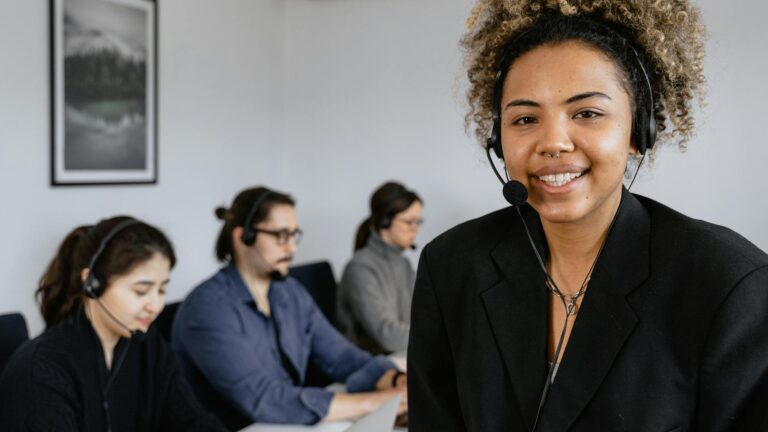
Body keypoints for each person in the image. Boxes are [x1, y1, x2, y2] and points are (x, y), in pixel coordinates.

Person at [408, 1, 768, 431]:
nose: (553, 142)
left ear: (638, 132)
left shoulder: (728, 283)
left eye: (587, 113)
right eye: (525, 118)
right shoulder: (451, 266)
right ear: (498, 142)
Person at [171, 187, 407, 431]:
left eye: (294, 235)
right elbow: (263, 399)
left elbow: (340, 356)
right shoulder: (208, 309)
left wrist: (396, 381)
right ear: (243, 237)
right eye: (281, 236)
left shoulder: (289, 292)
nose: (292, 248)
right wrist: (375, 403)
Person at [0, 216, 224, 432]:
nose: (155, 305)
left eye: (162, 289)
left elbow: (194, 424)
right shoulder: (41, 368)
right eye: (141, 291)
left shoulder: (147, 345)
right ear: (92, 283)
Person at [338, 181, 423, 354]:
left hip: (399, 355)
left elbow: (418, 318)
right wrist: (436, 338)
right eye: (409, 222)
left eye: (418, 222)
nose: (416, 230)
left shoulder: (404, 264)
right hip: (371, 363)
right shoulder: (360, 268)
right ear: (385, 221)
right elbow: (387, 336)